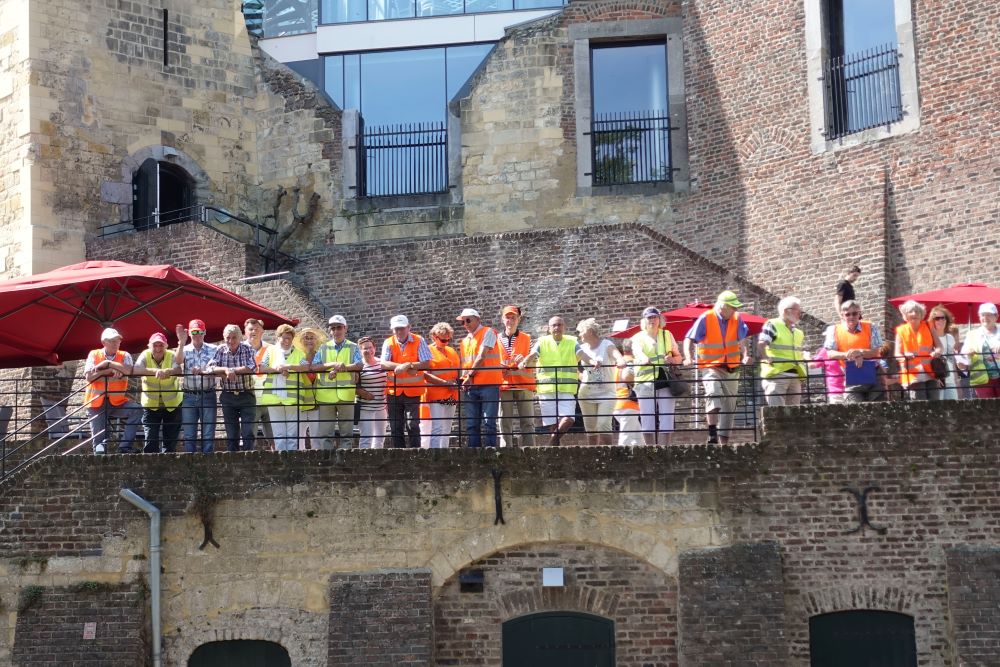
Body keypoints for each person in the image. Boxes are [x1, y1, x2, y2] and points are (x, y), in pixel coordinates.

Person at [683, 292, 753, 445]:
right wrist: (688, 357)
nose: (736, 310)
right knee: (713, 393)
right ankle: (712, 433)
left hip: (732, 368)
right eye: (733, 307)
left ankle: (724, 446)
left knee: (729, 408)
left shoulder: (736, 318)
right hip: (711, 366)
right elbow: (689, 338)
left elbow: (743, 339)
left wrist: (746, 355)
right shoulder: (706, 317)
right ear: (722, 307)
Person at [519, 316, 594, 446]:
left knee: (569, 419)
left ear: (564, 327)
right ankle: (555, 449)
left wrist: (592, 361)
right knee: (552, 424)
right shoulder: (542, 341)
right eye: (554, 325)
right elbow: (533, 354)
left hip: (566, 388)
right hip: (546, 389)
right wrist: (525, 361)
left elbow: (582, 354)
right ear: (549, 328)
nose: (557, 328)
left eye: (559, 325)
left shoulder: (572, 341)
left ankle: (550, 443)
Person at [83, 327, 142, 455]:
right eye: (112, 341)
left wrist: (108, 363)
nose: (116, 343)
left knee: (136, 409)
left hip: (118, 402)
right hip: (96, 403)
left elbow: (128, 371)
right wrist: (108, 371)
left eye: (118, 341)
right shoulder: (94, 354)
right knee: (99, 445)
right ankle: (100, 459)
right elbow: (89, 377)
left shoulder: (125, 355)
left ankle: (125, 447)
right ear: (104, 342)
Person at [632, 307, 682, 445]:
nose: (652, 320)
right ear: (644, 320)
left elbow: (679, 358)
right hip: (645, 382)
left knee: (667, 417)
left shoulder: (667, 335)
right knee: (647, 418)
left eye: (655, 317)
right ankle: (651, 450)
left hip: (666, 380)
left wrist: (673, 360)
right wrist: (643, 358)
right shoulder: (637, 337)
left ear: (660, 319)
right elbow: (638, 353)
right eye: (649, 318)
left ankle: (664, 449)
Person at [381, 315, 431, 448]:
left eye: (402, 328)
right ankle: (399, 454)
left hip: (413, 390)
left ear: (409, 327)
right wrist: (404, 366)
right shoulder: (388, 342)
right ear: (393, 330)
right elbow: (383, 364)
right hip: (393, 391)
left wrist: (408, 364)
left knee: (412, 425)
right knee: (395, 426)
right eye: (396, 329)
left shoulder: (419, 340)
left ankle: (416, 453)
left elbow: (426, 363)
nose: (399, 331)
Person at [206, 324, 258, 452]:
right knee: (231, 433)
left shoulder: (247, 348)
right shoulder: (220, 349)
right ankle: (233, 459)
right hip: (228, 396)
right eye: (228, 338)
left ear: (240, 338)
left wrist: (233, 370)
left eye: (234, 337)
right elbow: (210, 368)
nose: (231, 341)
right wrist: (225, 369)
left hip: (246, 395)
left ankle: (249, 457)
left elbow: (252, 367)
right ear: (224, 338)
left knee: (248, 432)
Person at [313, 315, 363, 450]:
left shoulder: (353, 347)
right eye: (333, 328)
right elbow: (314, 367)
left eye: (339, 327)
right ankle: (326, 458)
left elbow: (359, 365)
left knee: (347, 433)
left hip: (346, 395)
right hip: (325, 395)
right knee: (325, 433)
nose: (336, 331)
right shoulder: (323, 347)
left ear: (345, 328)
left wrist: (343, 367)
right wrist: (332, 365)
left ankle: (345, 457)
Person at [457, 308, 503, 448]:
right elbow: (465, 363)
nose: (465, 324)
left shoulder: (489, 332)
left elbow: (482, 356)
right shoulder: (464, 341)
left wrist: (469, 376)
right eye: (463, 322)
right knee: (471, 424)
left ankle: (490, 453)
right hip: (471, 385)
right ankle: (473, 454)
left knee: (489, 422)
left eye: (468, 320)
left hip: (489, 383)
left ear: (478, 319)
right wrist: (464, 379)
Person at [822, 300, 884, 403]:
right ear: (842, 315)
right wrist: (848, 354)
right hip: (850, 374)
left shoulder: (871, 326)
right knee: (853, 407)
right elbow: (830, 353)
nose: (851, 317)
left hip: (873, 373)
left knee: (878, 407)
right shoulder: (834, 330)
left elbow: (876, 351)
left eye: (854, 313)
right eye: (847, 314)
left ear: (859, 313)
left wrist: (859, 352)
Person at [576, 318, 624, 446]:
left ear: (590, 331)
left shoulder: (606, 344)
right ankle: (593, 455)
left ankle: (609, 453)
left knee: (603, 425)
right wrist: (582, 377)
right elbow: (571, 366)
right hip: (586, 394)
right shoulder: (581, 348)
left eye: (581, 332)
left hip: (607, 393)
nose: (579, 335)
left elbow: (618, 356)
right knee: (591, 429)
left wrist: (620, 361)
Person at [131, 331, 182, 453]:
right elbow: (136, 370)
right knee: (150, 440)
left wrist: (168, 371)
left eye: (161, 345)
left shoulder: (171, 354)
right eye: (155, 345)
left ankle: (168, 461)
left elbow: (178, 369)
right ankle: (150, 462)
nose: (158, 348)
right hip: (151, 404)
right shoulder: (145, 354)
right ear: (150, 346)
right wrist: (155, 371)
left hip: (172, 404)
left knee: (170, 441)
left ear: (166, 346)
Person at [256, 324, 304, 451]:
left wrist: (288, 367)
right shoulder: (270, 351)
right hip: (274, 398)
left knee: (292, 435)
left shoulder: (299, 353)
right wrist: (277, 369)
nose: (287, 341)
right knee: (279, 435)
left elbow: (306, 367)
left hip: (293, 399)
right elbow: (261, 367)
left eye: (289, 338)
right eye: (284, 338)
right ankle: (281, 459)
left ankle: (292, 459)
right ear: (278, 338)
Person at [176, 319, 218, 454]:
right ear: (189, 333)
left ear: (204, 332)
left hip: (208, 394)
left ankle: (208, 461)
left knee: (208, 433)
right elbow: (177, 361)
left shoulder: (214, 349)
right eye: (194, 332)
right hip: (189, 395)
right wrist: (181, 342)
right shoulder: (184, 349)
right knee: (189, 434)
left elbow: (217, 368)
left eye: (200, 332)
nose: (197, 335)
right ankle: (190, 461)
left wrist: (204, 371)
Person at [757, 297, 808, 407]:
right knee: (777, 412)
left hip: (795, 376)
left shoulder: (798, 332)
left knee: (795, 413)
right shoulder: (773, 324)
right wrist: (765, 358)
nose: (800, 313)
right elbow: (761, 344)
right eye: (797, 310)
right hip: (777, 375)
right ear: (786, 311)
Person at [497, 305, 536, 447]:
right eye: (507, 317)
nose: (510, 320)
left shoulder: (527, 338)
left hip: (524, 384)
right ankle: (505, 452)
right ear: (502, 319)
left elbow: (535, 361)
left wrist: (525, 360)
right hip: (504, 385)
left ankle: (530, 451)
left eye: (513, 317)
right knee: (504, 422)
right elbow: (492, 360)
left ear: (518, 319)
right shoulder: (496, 339)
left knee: (528, 422)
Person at [894, 300, 944, 401]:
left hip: (931, 372)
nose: (914, 314)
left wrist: (937, 352)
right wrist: (904, 356)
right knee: (920, 405)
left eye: (917, 311)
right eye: (910, 311)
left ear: (921, 314)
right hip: (913, 375)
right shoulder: (901, 330)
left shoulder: (929, 326)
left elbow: (940, 347)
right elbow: (897, 354)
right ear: (905, 315)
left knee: (936, 404)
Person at [421, 322, 460, 449]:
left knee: (447, 428)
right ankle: (435, 454)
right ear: (434, 337)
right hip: (436, 395)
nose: (446, 342)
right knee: (437, 427)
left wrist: (457, 381)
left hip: (452, 394)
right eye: (443, 340)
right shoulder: (427, 351)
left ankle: (444, 452)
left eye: (448, 339)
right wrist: (445, 383)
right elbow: (425, 375)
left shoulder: (451, 351)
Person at [289, 327, 325, 449]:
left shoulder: (321, 355)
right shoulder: (297, 355)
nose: (309, 340)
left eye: (312, 338)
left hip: (318, 402)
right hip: (300, 401)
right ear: (301, 341)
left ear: (316, 340)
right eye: (306, 338)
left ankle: (318, 458)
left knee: (317, 436)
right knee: (299, 436)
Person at [958, 302, 1000, 398]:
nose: (985, 318)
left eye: (989, 315)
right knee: (987, 406)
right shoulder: (972, 335)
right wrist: (966, 356)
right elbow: (963, 361)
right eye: (982, 315)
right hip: (982, 380)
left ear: (996, 316)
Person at [245, 318, 274, 450]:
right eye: (250, 329)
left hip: (270, 398)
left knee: (275, 437)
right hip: (250, 399)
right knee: (250, 437)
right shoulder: (240, 348)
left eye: (256, 329)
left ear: (262, 331)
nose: (253, 332)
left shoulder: (271, 349)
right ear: (245, 331)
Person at [356, 336, 388, 449]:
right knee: (366, 439)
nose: (368, 350)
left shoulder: (382, 363)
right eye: (365, 348)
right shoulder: (358, 365)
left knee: (380, 439)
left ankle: (377, 460)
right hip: (365, 408)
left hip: (381, 407)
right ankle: (364, 459)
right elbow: (354, 386)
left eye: (370, 347)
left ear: (374, 348)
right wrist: (364, 394)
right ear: (360, 350)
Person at [612, 338, 642, 447]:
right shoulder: (631, 362)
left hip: (617, 403)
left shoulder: (617, 364)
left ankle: (643, 456)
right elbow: (627, 376)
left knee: (638, 438)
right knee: (626, 438)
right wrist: (638, 386)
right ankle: (620, 456)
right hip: (628, 403)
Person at [928, 305, 959, 400]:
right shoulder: (928, 337)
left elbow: (952, 360)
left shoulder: (950, 338)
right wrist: (935, 378)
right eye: (937, 318)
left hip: (950, 379)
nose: (941, 320)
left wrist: (956, 380)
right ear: (932, 321)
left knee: (953, 406)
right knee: (938, 407)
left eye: (943, 318)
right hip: (936, 379)